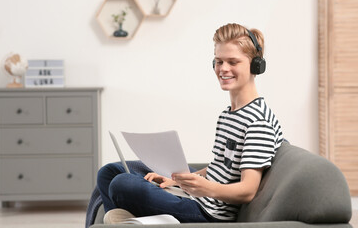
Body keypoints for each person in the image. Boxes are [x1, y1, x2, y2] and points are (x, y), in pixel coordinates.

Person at [97, 23, 284, 223]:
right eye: (219, 61)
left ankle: (128, 220)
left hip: (208, 213)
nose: (223, 69)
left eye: (233, 61)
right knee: (108, 172)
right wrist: (176, 181)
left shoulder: (258, 122)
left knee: (122, 183)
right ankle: (127, 220)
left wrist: (204, 188)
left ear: (256, 65)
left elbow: (248, 191)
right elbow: (219, 167)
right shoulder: (229, 114)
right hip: (198, 196)